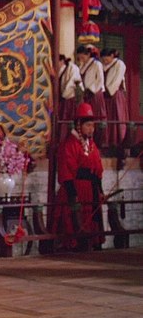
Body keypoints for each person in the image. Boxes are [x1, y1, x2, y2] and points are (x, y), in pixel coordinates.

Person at [50, 102, 105, 251]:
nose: (91, 129)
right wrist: (72, 194)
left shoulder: (91, 145)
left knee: (91, 218)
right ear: (79, 125)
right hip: (75, 189)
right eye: (88, 125)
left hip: (91, 189)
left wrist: (100, 189)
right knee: (75, 219)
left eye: (93, 126)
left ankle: (92, 243)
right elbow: (66, 170)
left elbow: (98, 168)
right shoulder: (69, 144)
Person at [75, 44, 106, 147]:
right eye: (79, 58)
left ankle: (98, 140)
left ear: (88, 54)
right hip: (86, 94)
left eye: (82, 57)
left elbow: (100, 80)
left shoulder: (97, 64)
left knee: (95, 116)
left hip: (95, 94)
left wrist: (93, 90)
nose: (81, 59)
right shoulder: (81, 66)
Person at [101, 48, 128, 150]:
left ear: (112, 56)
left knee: (117, 117)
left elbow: (117, 80)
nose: (104, 61)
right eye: (103, 59)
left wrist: (110, 90)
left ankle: (119, 143)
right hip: (106, 95)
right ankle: (108, 142)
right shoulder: (104, 66)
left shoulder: (119, 64)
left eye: (106, 58)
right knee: (107, 118)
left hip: (115, 94)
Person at [58, 54, 82, 123]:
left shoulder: (73, 68)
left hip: (71, 97)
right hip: (64, 98)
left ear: (62, 61)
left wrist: (64, 95)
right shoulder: (61, 70)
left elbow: (72, 83)